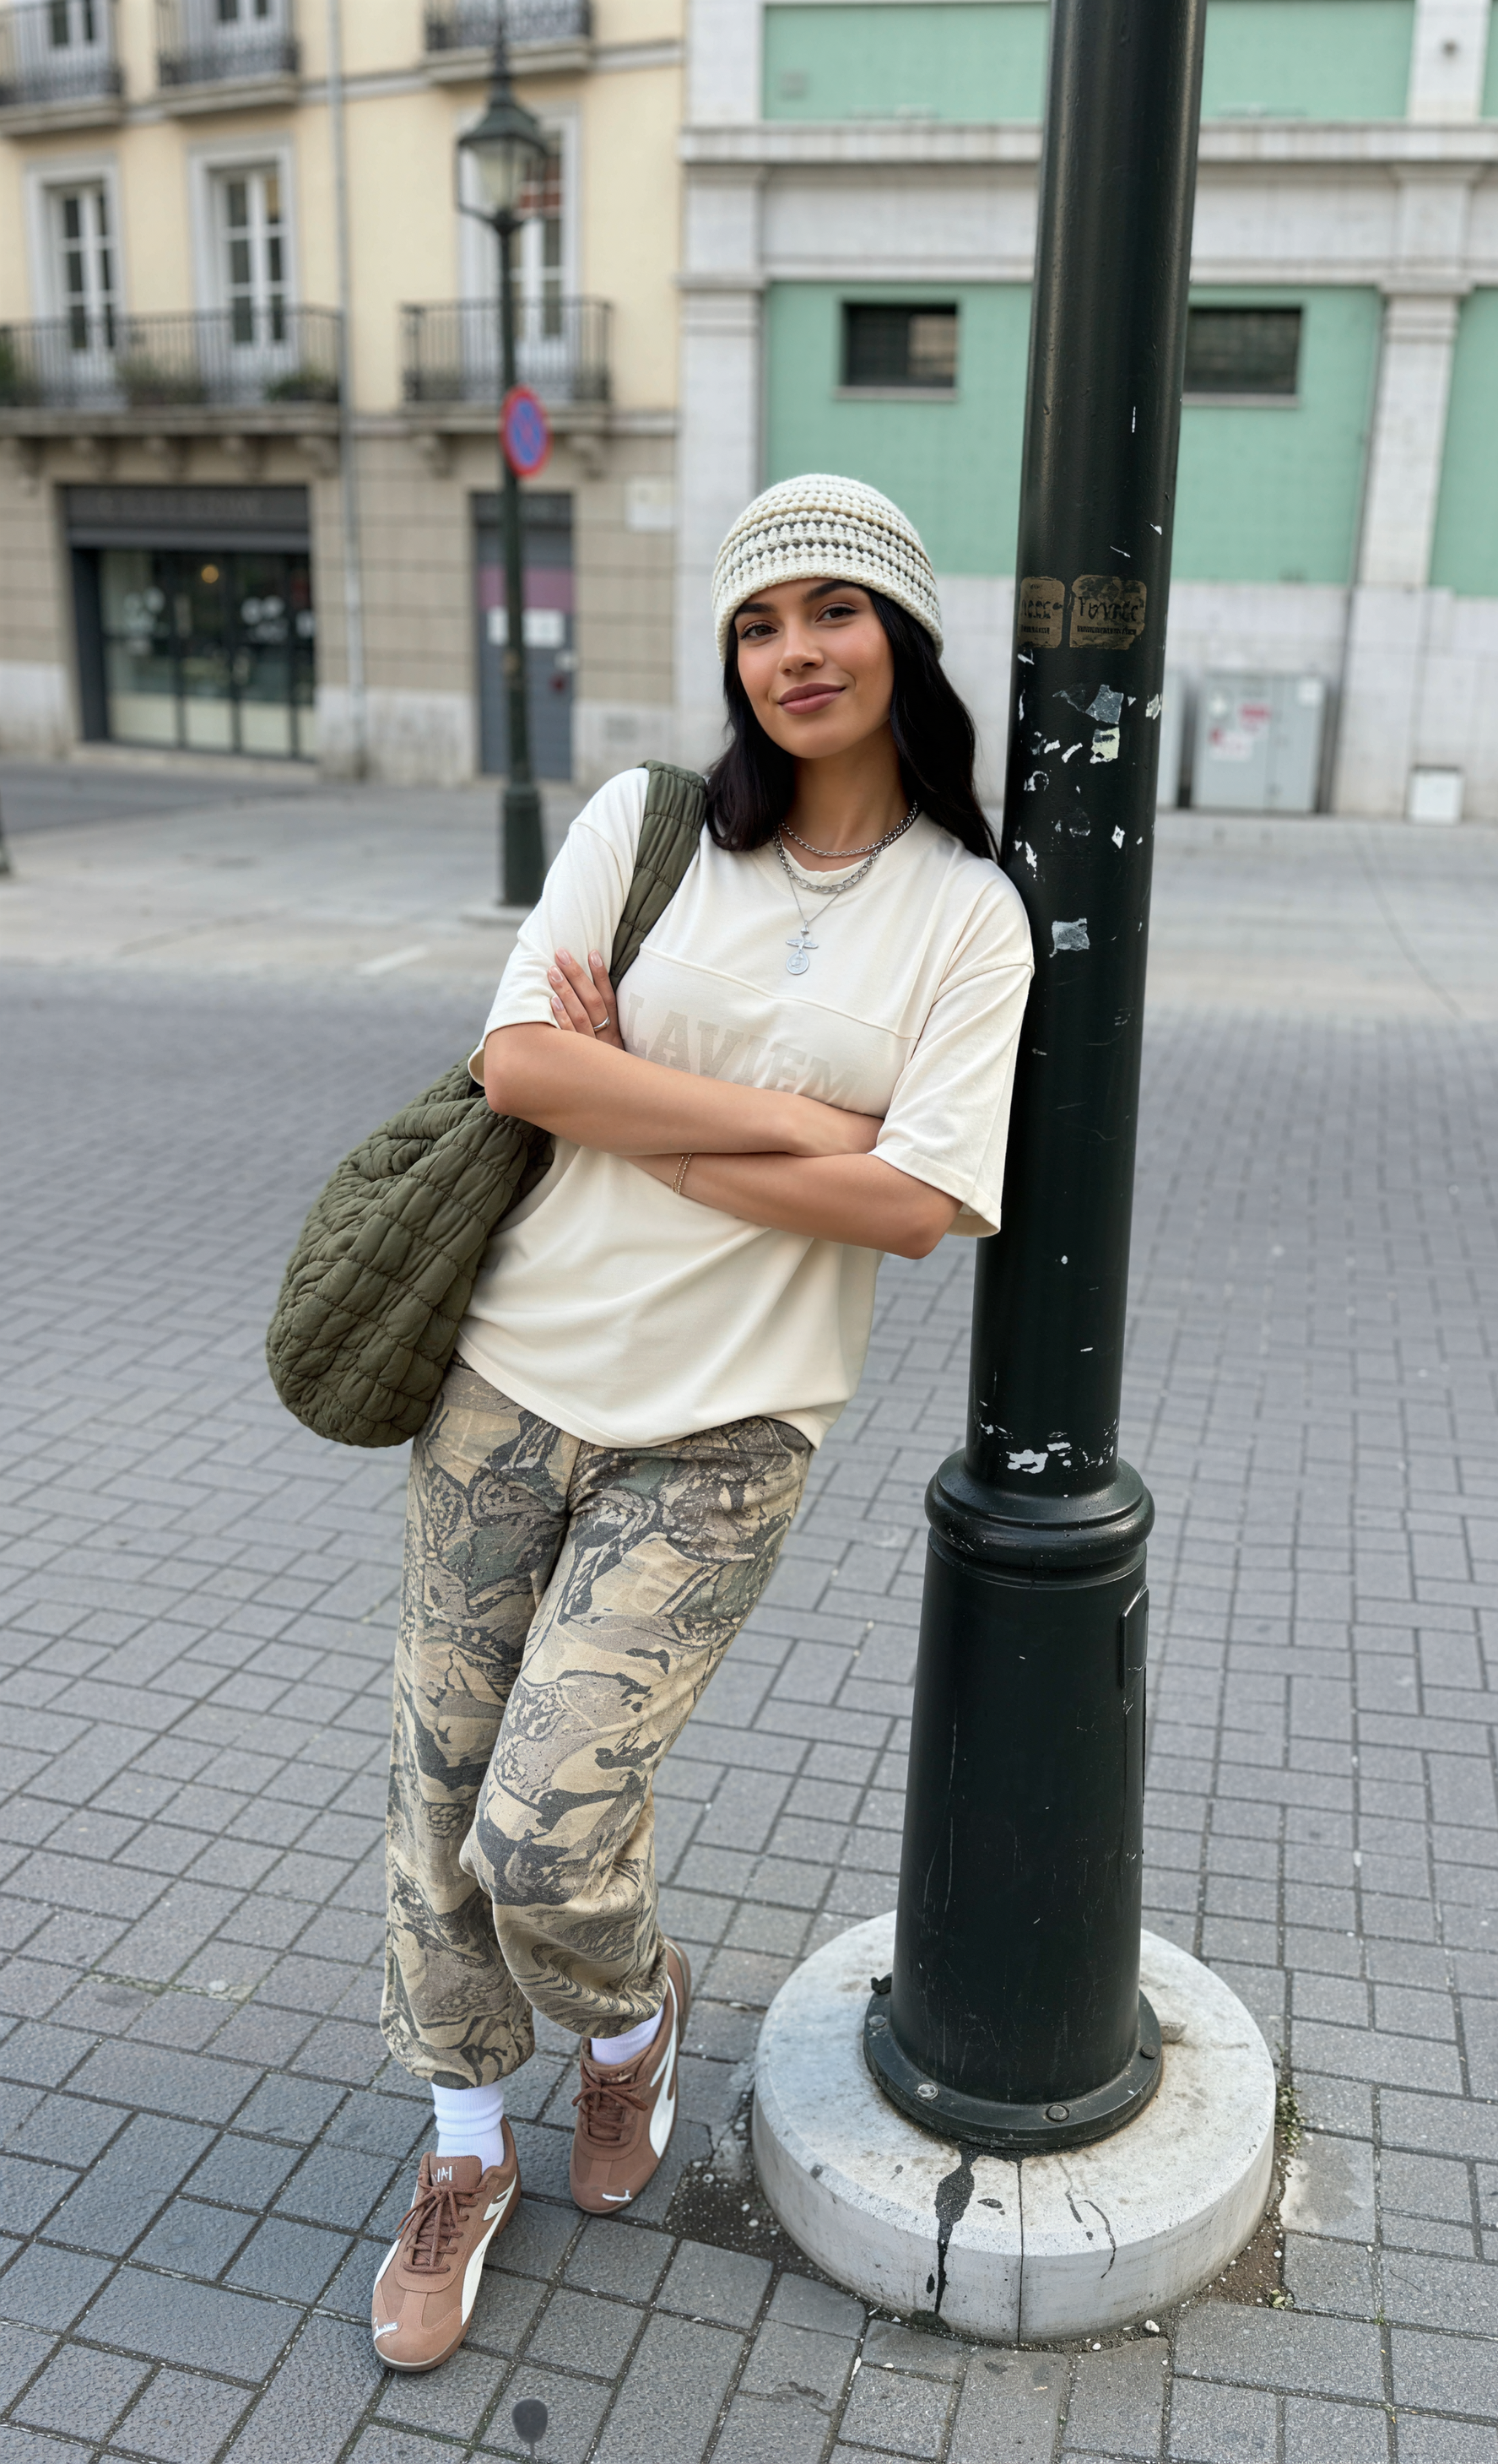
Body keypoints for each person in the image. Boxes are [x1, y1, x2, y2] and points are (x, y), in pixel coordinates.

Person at [369, 474, 1032, 2373]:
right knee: (436, 1795)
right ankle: (464, 2142)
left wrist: (640, 1099)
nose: (792, 651)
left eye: (832, 609)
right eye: (757, 622)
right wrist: (806, 1128)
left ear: (901, 635)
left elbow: (917, 1201)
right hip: (507, 1380)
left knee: (542, 1835)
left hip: (729, 1430)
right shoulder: (648, 827)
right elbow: (520, 1063)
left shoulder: (968, 915)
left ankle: (632, 2014)